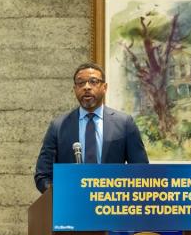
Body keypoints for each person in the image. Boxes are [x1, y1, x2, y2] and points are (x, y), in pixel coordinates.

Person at [34, 62, 148, 193]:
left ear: (104, 87)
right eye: (80, 83)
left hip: (112, 206)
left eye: (93, 82)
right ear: (74, 89)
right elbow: (43, 175)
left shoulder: (124, 123)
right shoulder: (58, 126)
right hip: (72, 206)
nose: (86, 87)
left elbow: (141, 172)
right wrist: (61, 195)